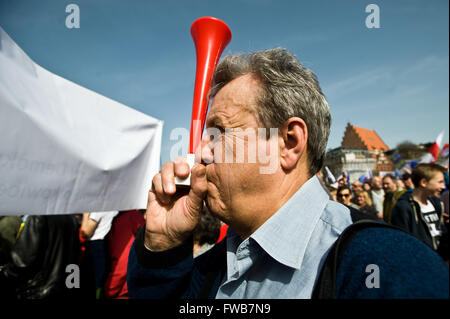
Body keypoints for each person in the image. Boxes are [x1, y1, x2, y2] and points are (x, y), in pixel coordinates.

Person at [127, 48, 448, 299]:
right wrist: (164, 246)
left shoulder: (387, 266)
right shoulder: (214, 265)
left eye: (218, 133)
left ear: (288, 143)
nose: (201, 153)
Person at [0, 214, 80, 299]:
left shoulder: (37, 217)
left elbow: (23, 261)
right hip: (62, 288)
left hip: (37, 290)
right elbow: (74, 256)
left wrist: (5, 272)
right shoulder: (70, 219)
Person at [391, 164, 447, 260]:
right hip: (421, 261)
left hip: (440, 261)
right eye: (440, 182)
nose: (443, 186)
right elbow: (402, 241)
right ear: (424, 182)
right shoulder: (404, 207)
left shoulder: (436, 203)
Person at [104, 210, 145, 299]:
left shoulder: (126, 218)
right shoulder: (135, 216)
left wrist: (110, 290)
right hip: (134, 285)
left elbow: (122, 261)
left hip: (122, 290)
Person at [80, 211, 118, 299]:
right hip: (106, 245)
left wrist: (85, 214)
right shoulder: (115, 209)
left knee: (91, 284)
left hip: (95, 247)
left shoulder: (98, 210)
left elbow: (85, 233)